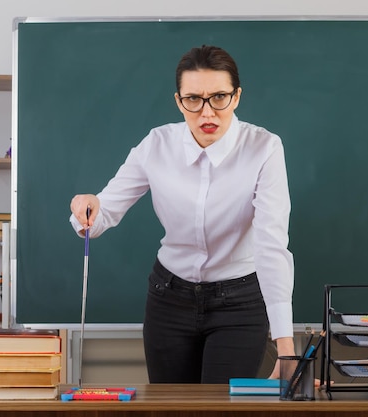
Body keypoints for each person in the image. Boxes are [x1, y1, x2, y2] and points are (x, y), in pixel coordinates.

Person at [69, 45, 295, 384]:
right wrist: (86, 208)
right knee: (170, 407)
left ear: (236, 97)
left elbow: (271, 245)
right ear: (179, 101)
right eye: (193, 99)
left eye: (219, 97)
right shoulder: (157, 145)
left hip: (239, 302)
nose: (207, 113)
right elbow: (101, 214)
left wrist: (286, 344)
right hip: (169, 298)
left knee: (221, 409)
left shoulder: (264, 148)